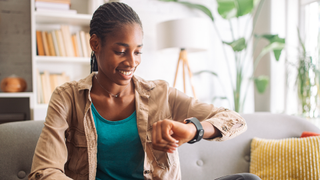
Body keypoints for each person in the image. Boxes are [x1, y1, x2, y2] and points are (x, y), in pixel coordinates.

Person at [29, 2, 261, 180]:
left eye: (138, 52)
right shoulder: (68, 98)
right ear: (95, 44)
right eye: (121, 51)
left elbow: (235, 120)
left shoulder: (160, 93)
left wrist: (193, 130)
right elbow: (44, 170)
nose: (132, 61)